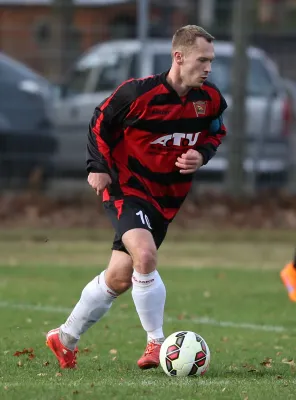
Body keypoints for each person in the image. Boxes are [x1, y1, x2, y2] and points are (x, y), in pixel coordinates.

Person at [46, 25, 227, 370]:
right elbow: (100, 121)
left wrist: (202, 154)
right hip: (125, 186)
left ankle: (65, 337)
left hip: (167, 198)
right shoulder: (138, 94)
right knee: (145, 255)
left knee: (119, 277)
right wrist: (97, 165)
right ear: (179, 57)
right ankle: (157, 344)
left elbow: (217, 133)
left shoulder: (210, 100)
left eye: (211, 61)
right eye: (202, 60)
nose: (208, 67)